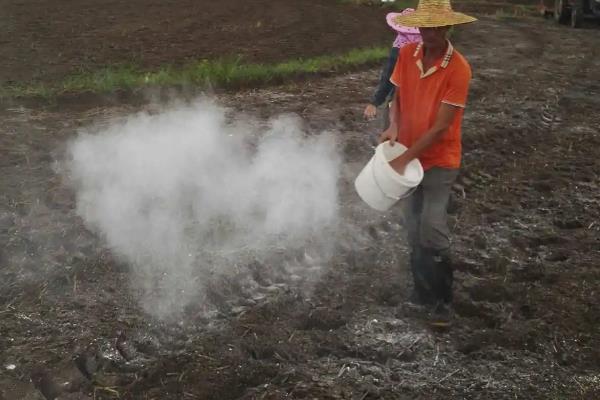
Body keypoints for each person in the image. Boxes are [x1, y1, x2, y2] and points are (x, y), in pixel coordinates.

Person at [378, 0, 476, 315]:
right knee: (412, 223)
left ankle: (442, 300)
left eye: (436, 27)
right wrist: (393, 126)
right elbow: (397, 99)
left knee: (431, 226)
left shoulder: (458, 68)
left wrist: (404, 157)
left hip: (439, 160)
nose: (429, 33)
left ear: (447, 27)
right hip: (409, 154)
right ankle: (421, 293)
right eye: (424, 26)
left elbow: (440, 127)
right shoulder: (407, 55)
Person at [363, 9, 421, 131]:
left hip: (401, 101)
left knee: (391, 138)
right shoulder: (430, 47)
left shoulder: (399, 48)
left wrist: (375, 102)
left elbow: (389, 77)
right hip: (425, 102)